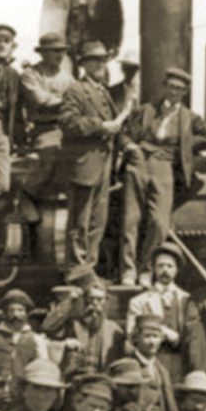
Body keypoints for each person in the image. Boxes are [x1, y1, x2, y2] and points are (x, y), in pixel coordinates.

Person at [120, 67, 206, 284]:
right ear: (164, 87)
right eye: (171, 87)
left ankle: (147, 269)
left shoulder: (189, 117)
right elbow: (124, 133)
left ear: (185, 92)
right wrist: (130, 147)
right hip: (138, 163)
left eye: (179, 89)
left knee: (159, 222)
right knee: (131, 219)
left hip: (164, 166)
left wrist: (186, 144)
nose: (174, 92)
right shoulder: (146, 110)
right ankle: (128, 271)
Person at [59, 40, 124, 272]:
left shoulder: (103, 91)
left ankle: (89, 270)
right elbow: (68, 123)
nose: (100, 64)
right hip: (84, 164)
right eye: (94, 60)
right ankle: (76, 271)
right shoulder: (76, 90)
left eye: (103, 60)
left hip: (103, 164)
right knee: (80, 222)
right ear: (83, 64)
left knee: (98, 221)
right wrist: (100, 126)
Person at [126, 244, 206, 384]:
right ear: (153, 269)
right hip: (152, 362)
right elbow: (131, 334)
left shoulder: (186, 299)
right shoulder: (139, 301)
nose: (165, 270)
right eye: (160, 266)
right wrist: (163, 331)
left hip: (180, 362)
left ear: (176, 270)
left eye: (169, 266)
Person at [19, 32, 74, 203]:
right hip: (44, 128)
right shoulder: (31, 74)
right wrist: (68, 101)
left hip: (66, 127)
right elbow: (43, 101)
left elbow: (77, 100)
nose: (60, 55)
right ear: (43, 53)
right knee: (48, 161)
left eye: (62, 51)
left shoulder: (66, 76)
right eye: (55, 50)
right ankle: (25, 197)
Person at [127, 313, 178, 411]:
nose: (152, 342)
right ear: (136, 339)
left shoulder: (162, 370)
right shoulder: (129, 367)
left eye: (155, 336)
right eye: (147, 336)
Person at [0, 23, 23, 150]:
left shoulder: (14, 74)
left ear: (13, 47)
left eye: (6, 41)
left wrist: (19, 139)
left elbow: (17, 109)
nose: (2, 45)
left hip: (3, 130)